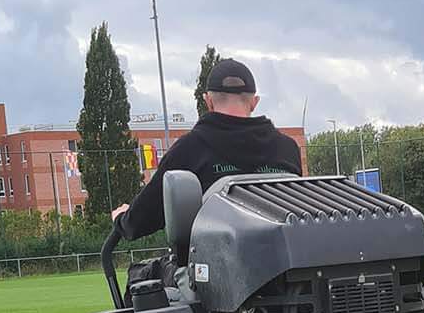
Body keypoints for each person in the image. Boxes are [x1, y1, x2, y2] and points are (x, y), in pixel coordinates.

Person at [111, 56, 303, 239]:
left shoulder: (188, 150)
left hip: (215, 268)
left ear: (208, 101)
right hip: (288, 266)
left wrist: (122, 219)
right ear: (254, 102)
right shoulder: (288, 149)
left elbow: (143, 219)